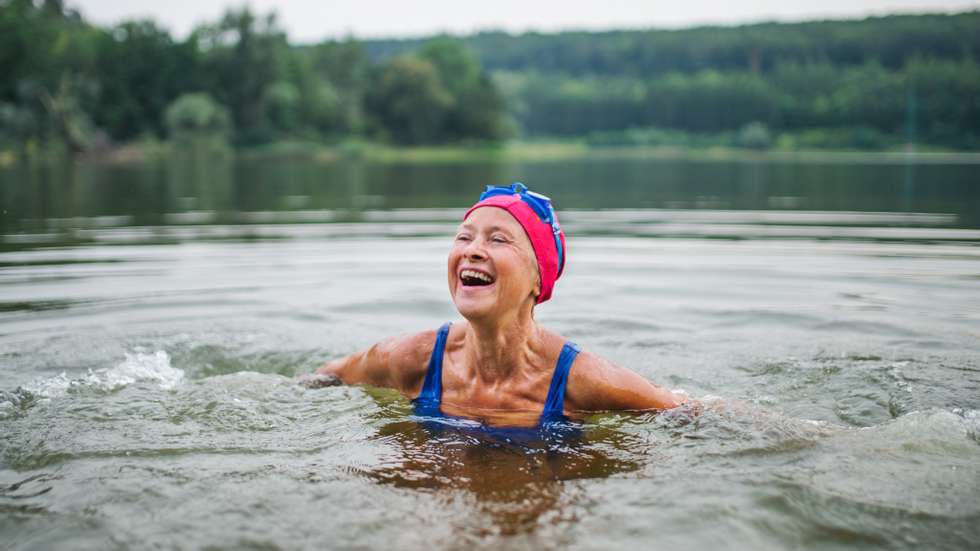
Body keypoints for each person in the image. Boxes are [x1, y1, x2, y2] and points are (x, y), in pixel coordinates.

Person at [308, 182, 691, 428]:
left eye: (498, 240)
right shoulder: (412, 359)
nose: (473, 250)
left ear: (539, 278)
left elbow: (687, 411)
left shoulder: (582, 380)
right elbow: (328, 377)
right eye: (464, 237)